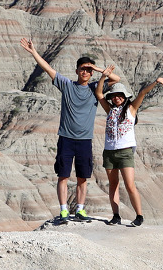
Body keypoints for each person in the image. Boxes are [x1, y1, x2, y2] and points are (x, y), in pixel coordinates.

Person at [20, 37, 120, 222]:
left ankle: (80, 210)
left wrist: (98, 70)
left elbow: (116, 79)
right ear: (76, 71)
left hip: (84, 140)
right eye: (83, 68)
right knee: (63, 176)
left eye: (88, 70)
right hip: (66, 138)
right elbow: (48, 69)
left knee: (83, 177)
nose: (85, 72)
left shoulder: (95, 89)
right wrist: (34, 52)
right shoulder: (67, 85)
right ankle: (64, 210)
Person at [95, 65, 163, 227]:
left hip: (125, 152)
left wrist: (156, 82)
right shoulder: (110, 110)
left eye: (119, 95)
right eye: (114, 96)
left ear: (125, 97)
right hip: (109, 152)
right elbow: (99, 94)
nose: (116, 98)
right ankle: (116, 216)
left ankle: (139, 216)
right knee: (113, 185)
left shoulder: (131, 109)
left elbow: (143, 93)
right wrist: (103, 77)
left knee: (130, 185)